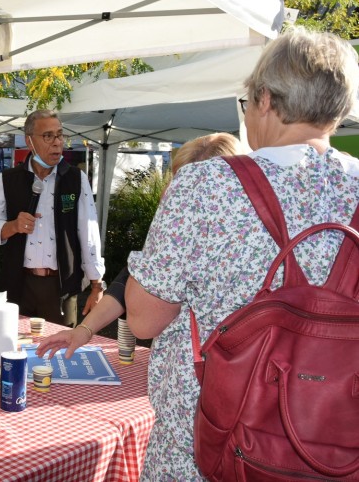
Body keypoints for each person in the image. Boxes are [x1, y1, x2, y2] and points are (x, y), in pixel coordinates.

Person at [124, 27, 359, 480]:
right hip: (334, 443)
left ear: (266, 99)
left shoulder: (207, 184)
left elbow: (144, 320)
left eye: (247, 103)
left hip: (212, 445)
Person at [36, 132, 243, 360]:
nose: (174, 193)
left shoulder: (203, 235)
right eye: (175, 181)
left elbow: (144, 324)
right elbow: (127, 280)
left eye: (183, 185)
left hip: (208, 371)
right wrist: (84, 330)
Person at [0, 110, 105, 327]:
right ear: (29, 141)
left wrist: (97, 284)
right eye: (48, 136)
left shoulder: (76, 179)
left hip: (60, 287)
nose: (57, 143)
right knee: (15, 346)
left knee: (59, 352)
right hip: (19, 285)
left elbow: (89, 232)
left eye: (60, 135)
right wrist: (13, 226)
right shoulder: (7, 180)